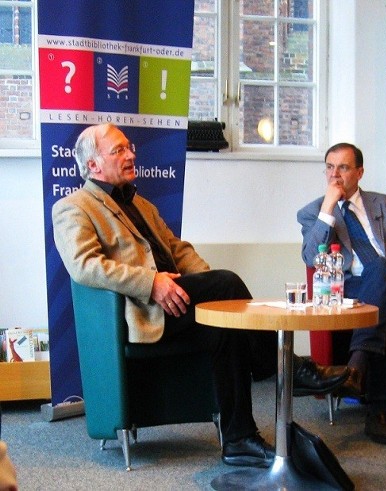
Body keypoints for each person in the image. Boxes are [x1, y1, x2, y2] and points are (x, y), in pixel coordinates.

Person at [52, 123, 349, 469]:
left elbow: (178, 249)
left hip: (178, 303)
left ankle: (239, 440)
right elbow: (85, 266)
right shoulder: (73, 207)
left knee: (226, 322)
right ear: (93, 165)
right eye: (118, 150)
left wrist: (207, 284)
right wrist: (152, 283)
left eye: (129, 147)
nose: (131, 154)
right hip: (143, 310)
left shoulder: (142, 205)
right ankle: (283, 367)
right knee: (227, 284)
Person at [297, 142, 386, 445]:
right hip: (349, 290)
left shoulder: (385, 204)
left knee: (381, 270)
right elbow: (310, 258)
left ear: (359, 172)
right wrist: (328, 209)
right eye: (329, 167)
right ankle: (378, 413)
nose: (335, 175)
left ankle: (356, 368)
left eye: (342, 167)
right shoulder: (312, 212)